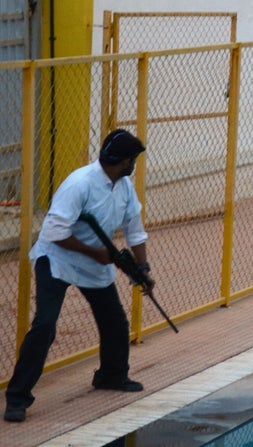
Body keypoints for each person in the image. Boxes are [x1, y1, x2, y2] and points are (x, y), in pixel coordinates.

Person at [4, 129, 154, 423]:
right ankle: (17, 398)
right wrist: (95, 253)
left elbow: (135, 230)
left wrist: (143, 269)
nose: (133, 163)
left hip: (94, 260)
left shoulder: (123, 186)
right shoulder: (80, 184)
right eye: (132, 159)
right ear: (125, 161)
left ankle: (111, 375)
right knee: (45, 325)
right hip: (57, 259)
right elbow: (54, 233)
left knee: (114, 321)